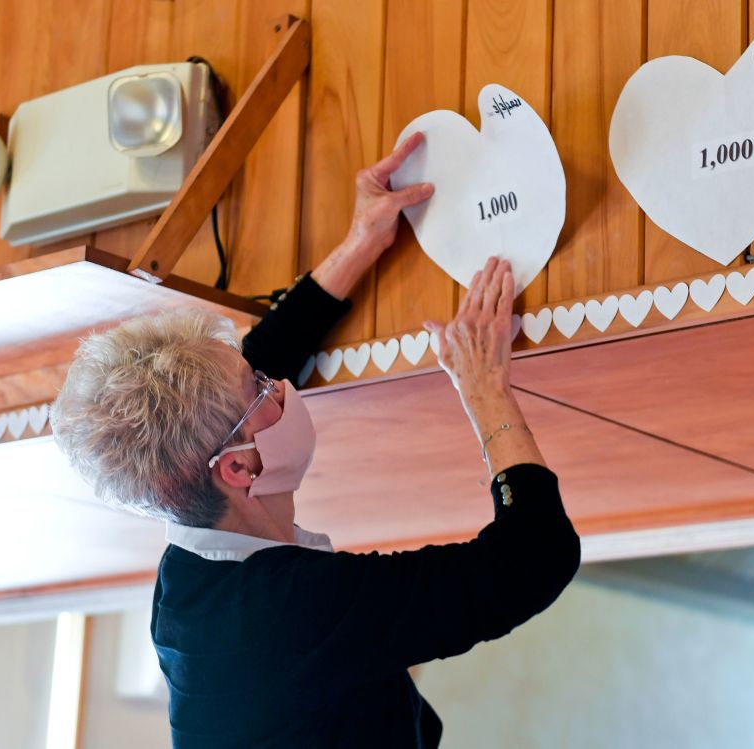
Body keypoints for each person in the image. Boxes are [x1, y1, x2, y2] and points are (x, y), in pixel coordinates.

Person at [50, 133, 581, 748]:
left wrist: (361, 242)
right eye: (262, 388)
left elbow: (252, 367)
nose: (278, 384)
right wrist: (485, 388)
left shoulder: (196, 554)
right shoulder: (288, 614)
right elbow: (532, 561)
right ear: (239, 469)